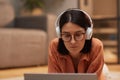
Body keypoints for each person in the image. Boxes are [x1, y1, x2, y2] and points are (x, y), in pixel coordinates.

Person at [48, 8, 105, 80]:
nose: (73, 42)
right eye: (67, 35)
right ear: (60, 35)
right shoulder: (54, 45)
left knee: (104, 73)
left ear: (88, 34)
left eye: (78, 35)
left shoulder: (97, 46)